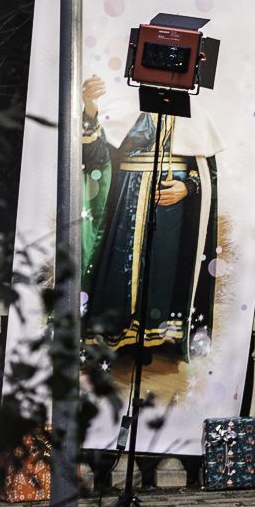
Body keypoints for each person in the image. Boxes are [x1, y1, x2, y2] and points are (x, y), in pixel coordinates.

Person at [81, 74, 223, 361]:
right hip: (127, 199)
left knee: (165, 267)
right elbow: (94, 155)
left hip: (173, 210)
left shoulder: (195, 112)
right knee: (122, 267)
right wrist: (91, 108)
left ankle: (154, 337)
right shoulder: (124, 105)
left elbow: (208, 173)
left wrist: (188, 186)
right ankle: (116, 333)